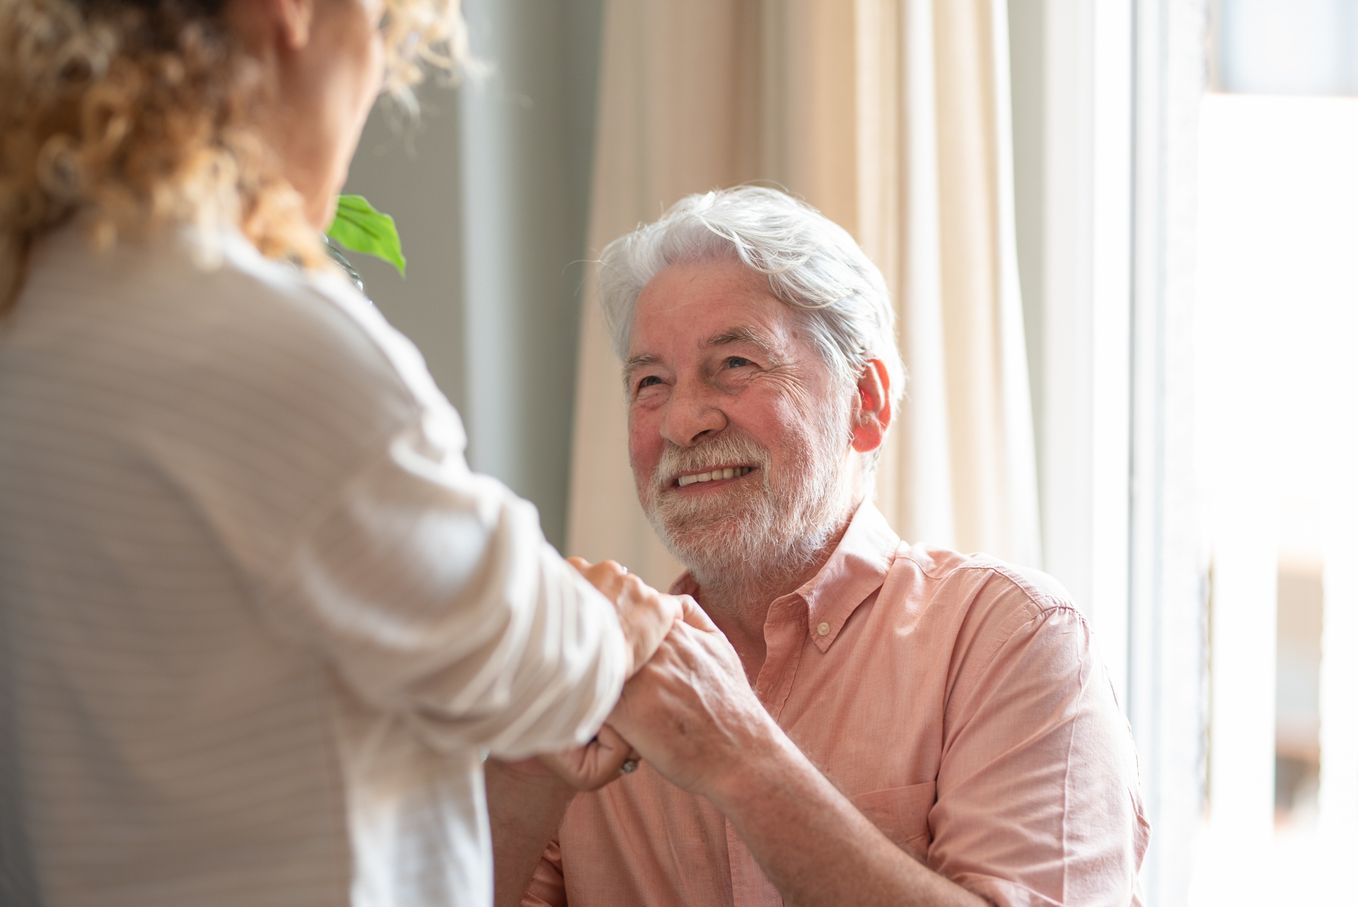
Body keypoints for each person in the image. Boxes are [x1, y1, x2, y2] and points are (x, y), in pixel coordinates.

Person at [0, 2, 684, 906]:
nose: (366, 100)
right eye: (378, 42)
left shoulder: (33, 322)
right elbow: (516, 641)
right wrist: (620, 623)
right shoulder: (262, 343)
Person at [490, 186, 1150, 906]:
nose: (682, 421)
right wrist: (526, 757)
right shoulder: (596, 672)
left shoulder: (1011, 639)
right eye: (650, 381)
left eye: (736, 364)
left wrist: (740, 757)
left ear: (865, 401)